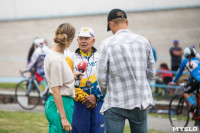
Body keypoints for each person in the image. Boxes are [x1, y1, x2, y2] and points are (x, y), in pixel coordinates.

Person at [96, 9, 156, 133]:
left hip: (115, 101)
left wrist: (108, 90)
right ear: (127, 22)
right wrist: (140, 83)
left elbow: (101, 77)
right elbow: (151, 73)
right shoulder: (144, 42)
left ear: (111, 24)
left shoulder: (107, 44)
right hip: (139, 101)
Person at [65, 27, 105, 133]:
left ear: (93, 41)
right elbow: (68, 81)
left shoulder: (101, 57)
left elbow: (106, 79)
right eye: (81, 38)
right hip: (79, 103)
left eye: (87, 38)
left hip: (98, 102)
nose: (83, 41)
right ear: (77, 40)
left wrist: (95, 96)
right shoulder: (70, 57)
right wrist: (84, 97)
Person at [44, 23, 82, 133]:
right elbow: (56, 90)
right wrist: (63, 118)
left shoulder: (55, 54)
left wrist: (73, 75)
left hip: (62, 103)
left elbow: (57, 77)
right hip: (61, 104)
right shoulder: (56, 59)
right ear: (70, 39)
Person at [170, 47, 200, 111]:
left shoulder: (184, 61)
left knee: (185, 92)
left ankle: (192, 103)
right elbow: (195, 73)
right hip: (196, 79)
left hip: (197, 81)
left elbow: (179, 73)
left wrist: (174, 81)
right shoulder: (198, 60)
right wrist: (190, 81)